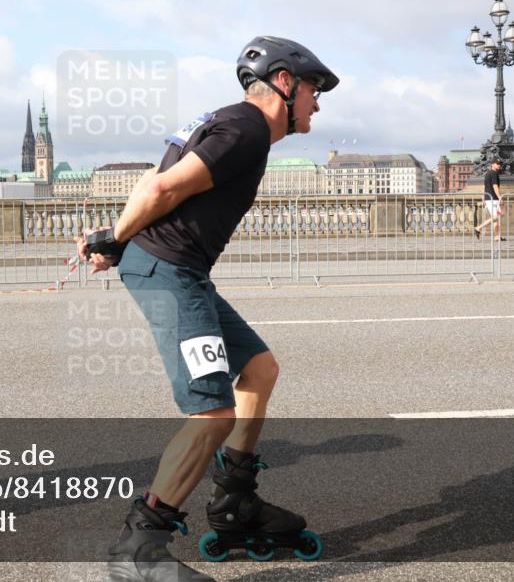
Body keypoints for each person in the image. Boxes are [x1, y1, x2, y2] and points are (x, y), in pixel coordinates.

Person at [79, 37, 337, 581]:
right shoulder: (244, 130)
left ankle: (235, 502)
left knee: (259, 369)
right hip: (170, 274)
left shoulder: (229, 123)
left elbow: (154, 182)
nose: (318, 103)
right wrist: (114, 236)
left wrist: (119, 241)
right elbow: (164, 187)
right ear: (285, 83)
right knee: (212, 414)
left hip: (179, 269)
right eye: (314, 90)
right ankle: (137, 550)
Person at [473, 158, 505, 241]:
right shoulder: (494, 173)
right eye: (497, 164)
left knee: (496, 217)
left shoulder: (488, 173)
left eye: (500, 164)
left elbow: (484, 187)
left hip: (489, 198)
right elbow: (495, 187)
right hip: (493, 198)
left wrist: (484, 197)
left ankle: (497, 236)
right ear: (492, 164)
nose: (499, 165)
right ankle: (478, 228)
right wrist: (500, 197)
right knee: (497, 216)